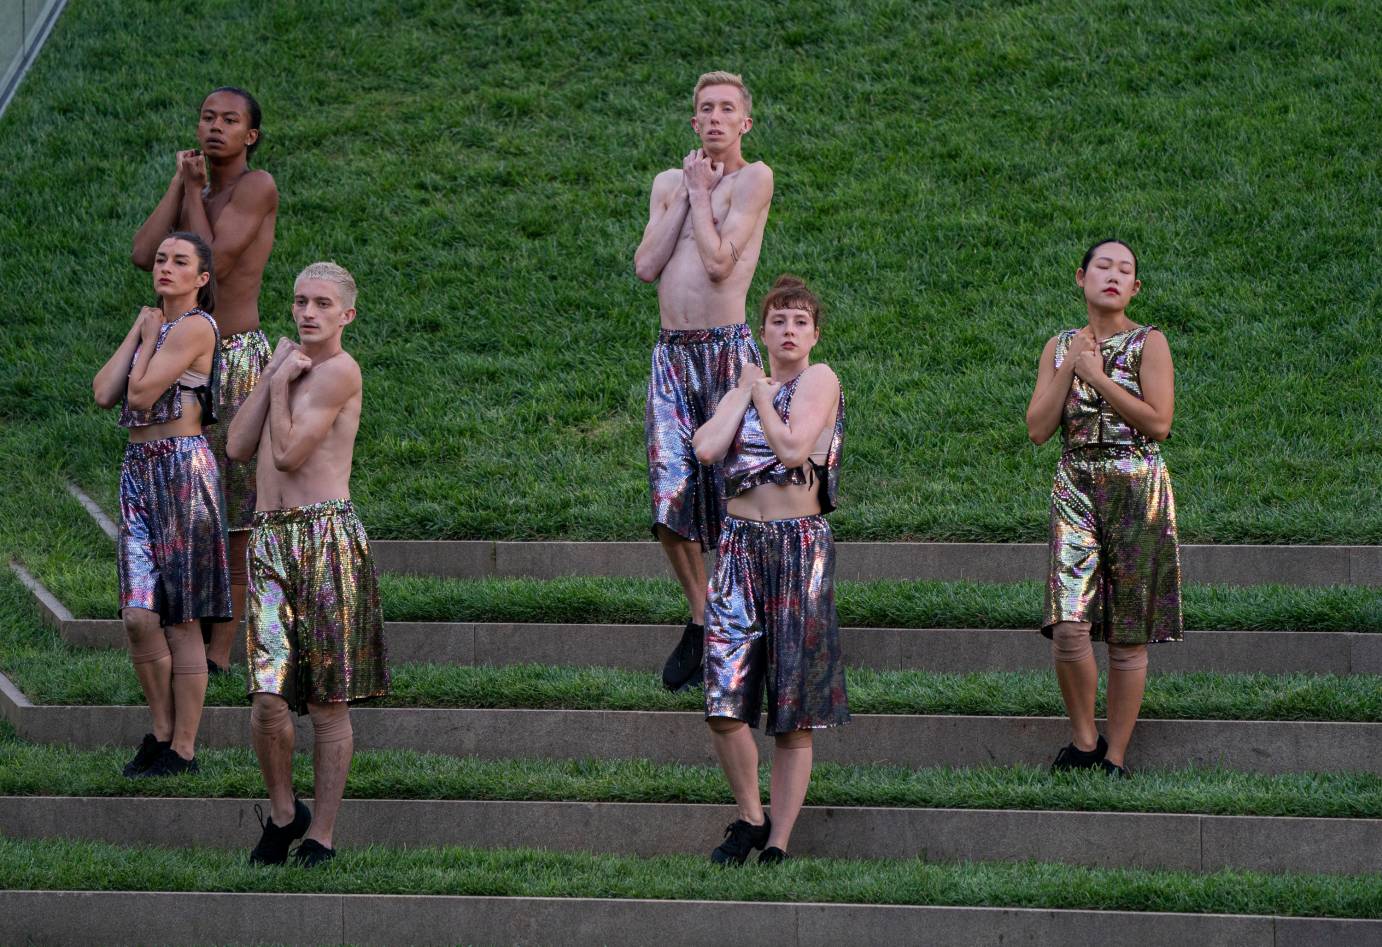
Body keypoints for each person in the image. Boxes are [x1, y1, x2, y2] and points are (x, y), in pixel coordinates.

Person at [227, 261, 387, 867]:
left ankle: (321, 831)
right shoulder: (286, 367)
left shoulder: (340, 371)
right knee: (267, 698)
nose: (308, 313)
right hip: (269, 539)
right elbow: (240, 447)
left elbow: (291, 454)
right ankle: (283, 810)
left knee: (326, 702)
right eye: (299, 301)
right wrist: (272, 373)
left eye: (322, 303)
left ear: (346, 314)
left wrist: (275, 384)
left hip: (324, 537)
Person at [691, 275, 848, 865]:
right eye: (779, 321)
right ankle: (751, 817)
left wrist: (757, 396)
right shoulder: (747, 384)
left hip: (797, 549)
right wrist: (742, 391)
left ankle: (779, 841)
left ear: (814, 334)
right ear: (762, 332)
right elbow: (706, 449)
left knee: (793, 708)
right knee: (722, 700)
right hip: (738, 549)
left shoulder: (821, 378)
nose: (789, 330)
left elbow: (791, 449)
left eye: (800, 321)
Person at [634, 70, 774, 691]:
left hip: (726, 354)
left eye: (727, 110)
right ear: (693, 122)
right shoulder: (669, 180)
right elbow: (645, 266)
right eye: (705, 110)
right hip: (671, 355)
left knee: (738, 497)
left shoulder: (754, 178)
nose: (715, 118)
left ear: (745, 122)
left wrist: (699, 198)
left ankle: (747, 620)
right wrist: (686, 190)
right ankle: (701, 617)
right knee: (669, 502)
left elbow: (720, 266)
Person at [132, 86, 278, 674]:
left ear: (251, 136)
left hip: (235, 358)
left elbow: (209, 259)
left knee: (237, 509)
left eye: (230, 120)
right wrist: (180, 185)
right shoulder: (199, 187)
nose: (215, 127)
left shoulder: (256, 186)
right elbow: (147, 253)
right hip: (180, 355)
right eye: (207, 117)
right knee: (188, 501)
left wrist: (194, 192)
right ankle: (184, 628)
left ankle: (220, 650)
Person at [1024, 239, 1182, 777]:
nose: (1112, 276)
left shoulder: (1149, 342)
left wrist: (1097, 378)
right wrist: (1071, 363)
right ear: (1081, 277)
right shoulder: (1058, 345)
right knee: (1069, 626)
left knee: (1127, 632)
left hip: (1137, 484)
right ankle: (1084, 740)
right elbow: (1038, 429)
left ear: (1135, 287)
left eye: (1125, 270)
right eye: (1103, 266)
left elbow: (1158, 423)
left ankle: (1115, 755)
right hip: (1075, 484)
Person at [92, 232, 231, 778]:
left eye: (180, 261)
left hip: (182, 470)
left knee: (181, 620)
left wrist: (148, 340)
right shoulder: (157, 324)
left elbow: (142, 395)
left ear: (201, 278)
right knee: (137, 616)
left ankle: (184, 750)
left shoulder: (196, 325)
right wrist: (139, 328)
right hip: (138, 471)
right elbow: (105, 392)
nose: (165, 267)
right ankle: (160, 731)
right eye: (160, 260)